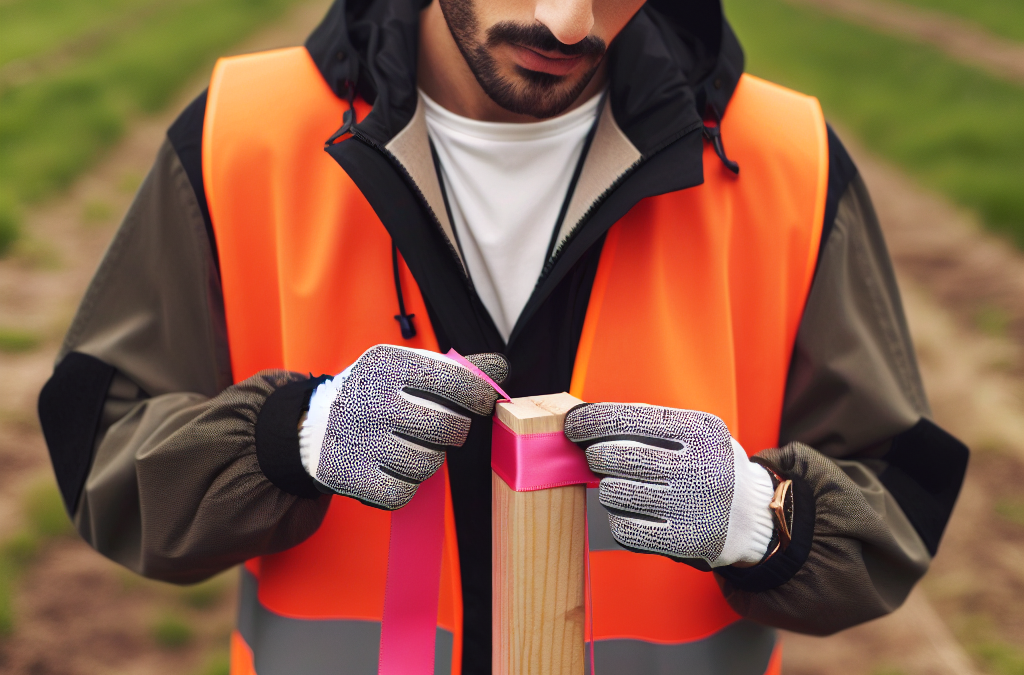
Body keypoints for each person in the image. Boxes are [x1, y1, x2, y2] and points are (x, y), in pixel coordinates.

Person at [38, 0, 969, 673]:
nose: (568, 22)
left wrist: (763, 518)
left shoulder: (785, 162)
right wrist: (291, 437)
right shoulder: (242, 136)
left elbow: (894, 502)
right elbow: (104, 457)